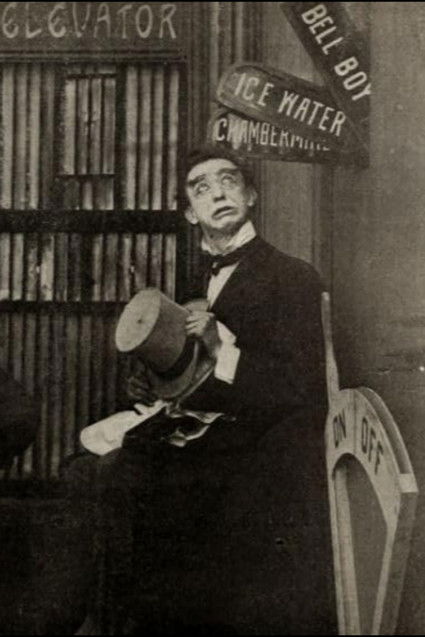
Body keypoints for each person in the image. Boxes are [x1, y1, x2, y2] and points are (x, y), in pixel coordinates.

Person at [65, 146, 336, 635]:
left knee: (119, 476)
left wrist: (220, 348)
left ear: (251, 196)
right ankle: (111, 618)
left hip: (257, 449)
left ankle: (119, 622)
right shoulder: (194, 281)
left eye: (229, 181)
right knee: (86, 468)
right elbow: (189, 376)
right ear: (191, 213)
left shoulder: (294, 276)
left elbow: (302, 387)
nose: (218, 194)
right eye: (202, 187)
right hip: (200, 437)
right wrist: (152, 382)